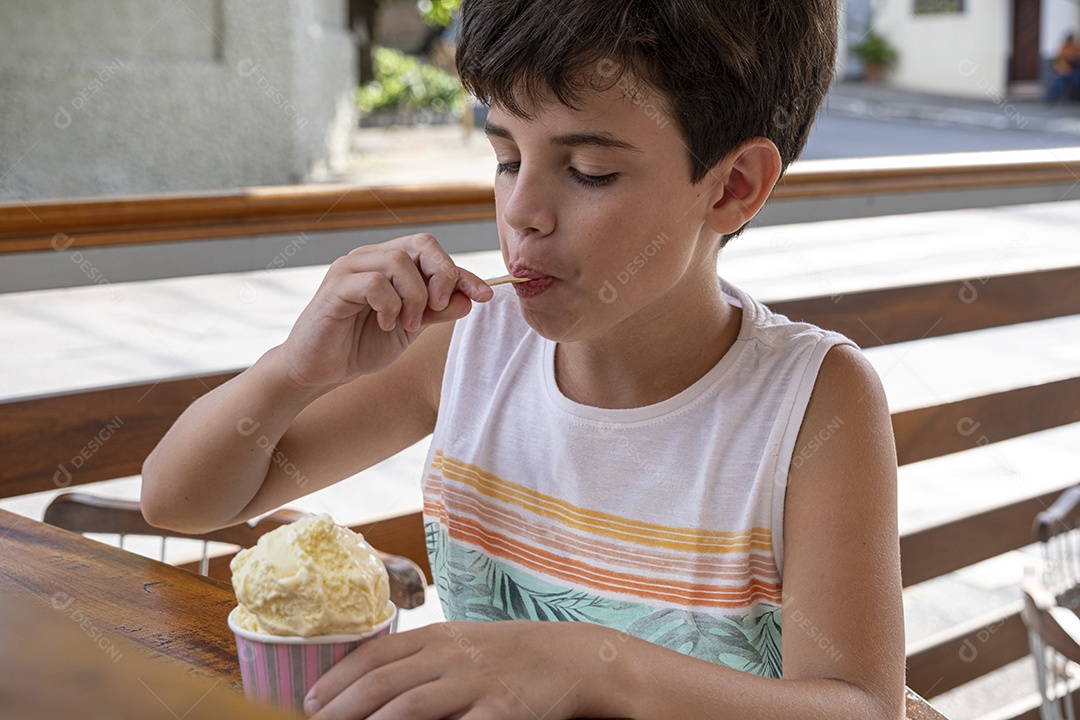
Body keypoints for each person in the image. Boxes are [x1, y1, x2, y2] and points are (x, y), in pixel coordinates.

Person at [142, 1, 905, 718]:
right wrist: (291, 373)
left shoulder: (812, 403)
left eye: (588, 173)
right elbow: (181, 503)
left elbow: (863, 706)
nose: (521, 212)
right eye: (507, 157)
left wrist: (594, 664)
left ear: (734, 187)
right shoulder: (468, 345)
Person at [1047, 32, 1080, 103]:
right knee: (1059, 84)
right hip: (1061, 71)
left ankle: (1075, 99)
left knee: (1078, 80)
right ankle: (1052, 99)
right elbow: (1063, 58)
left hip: (1071, 71)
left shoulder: (1075, 47)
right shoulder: (1063, 47)